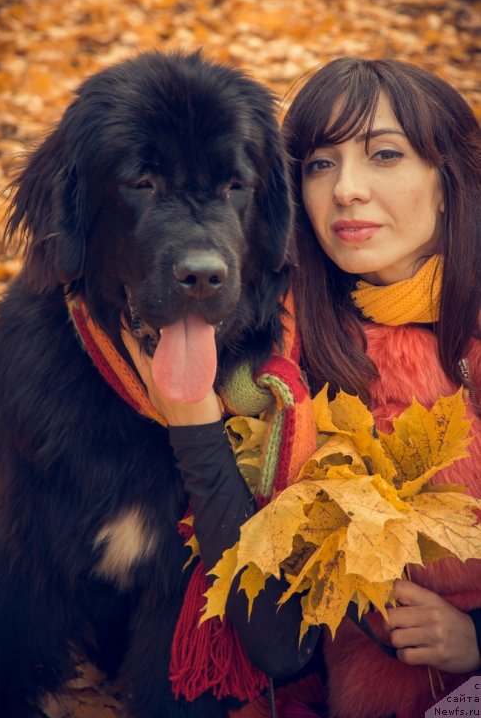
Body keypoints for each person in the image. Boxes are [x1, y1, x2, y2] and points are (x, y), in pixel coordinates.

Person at [124, 57, 481, 718]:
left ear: (445, 181)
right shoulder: (274, 354)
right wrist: (196, 425)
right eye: (319, 163)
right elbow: (277, 644)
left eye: (383, 155)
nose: (346, 189)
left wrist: (476, 639)